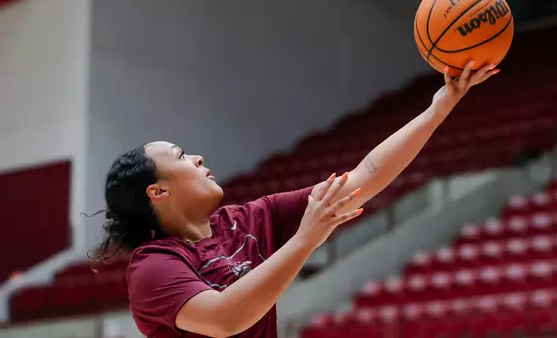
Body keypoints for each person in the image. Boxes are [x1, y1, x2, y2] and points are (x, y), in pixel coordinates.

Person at [93, 62, 498, 338]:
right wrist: (305, 240)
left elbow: (364, 178)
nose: (197, 157)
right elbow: (224, 318)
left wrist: (438, 108)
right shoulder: (154, 267)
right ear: (157, 191)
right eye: (181, 156)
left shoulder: (248, 220)